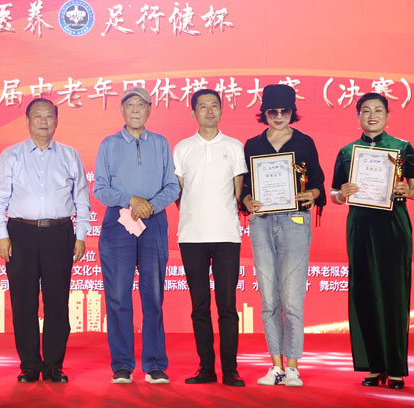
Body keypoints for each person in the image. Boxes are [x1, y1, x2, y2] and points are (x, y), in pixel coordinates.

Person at [0, 98, 90, 383]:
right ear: (27, 121)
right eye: (37, 116)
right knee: (24, 302)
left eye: (49, 116)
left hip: (60, 233)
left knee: (57, 302)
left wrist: (80, 236)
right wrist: (2, 236)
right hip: (21, 234)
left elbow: (82, 199)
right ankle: (30, 365)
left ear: (57, 121)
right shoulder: (11, 155)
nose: (43, 121)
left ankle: (54, 366)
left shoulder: (70, 155)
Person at [330, 92, 414, 389]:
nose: (372, 115)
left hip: (393, 226)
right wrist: (341, 194)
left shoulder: (402, 148)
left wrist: (408, 191)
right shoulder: (348, 152)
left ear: (387, 115)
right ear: (358, 115)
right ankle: (374, 366)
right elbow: (333, 194)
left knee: (394, 294)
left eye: (378, 110)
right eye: (366, 110)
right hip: (360, 227)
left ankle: (395, 368)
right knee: (364, 293)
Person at [94, 87, 180, 384]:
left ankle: (155, 364)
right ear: (122, 110)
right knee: (118, 295)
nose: (135, 110)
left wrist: (150, 206)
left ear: (149, 110)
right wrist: (131, 200)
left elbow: (172, 186)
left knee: (153, 295)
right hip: (119, 221)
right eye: (129, 104)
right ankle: (122, 365)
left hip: (153, 222)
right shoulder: (109, 144)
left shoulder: (160, 143)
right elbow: (101, 189)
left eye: (140, 105)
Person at [241, 84, 326, 387]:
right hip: (262, 223)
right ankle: (275, 366)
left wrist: (312, 194)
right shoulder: (252, 145)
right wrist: (247, 201)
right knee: (268, 299)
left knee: (291, 298)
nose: (278, 116)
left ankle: (292, 366)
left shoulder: (304, 142)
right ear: (263, 113)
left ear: (293, 112)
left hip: (294, 221)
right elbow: (245, 187)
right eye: (272, 111)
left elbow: (318, 183)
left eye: (285, 111)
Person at [174, 89, 247, 386]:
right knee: (200, 307)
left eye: (214, 106)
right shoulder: (182, 148)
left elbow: (238, 192)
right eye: (202, 106)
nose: (208, 111)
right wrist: (194, 213)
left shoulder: (234, 146)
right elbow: (178, 192)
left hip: (227, 235)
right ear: (193, 112)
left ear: (221, 110)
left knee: (227, 306)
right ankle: (206, 368)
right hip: (192, 236)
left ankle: (230, 370)